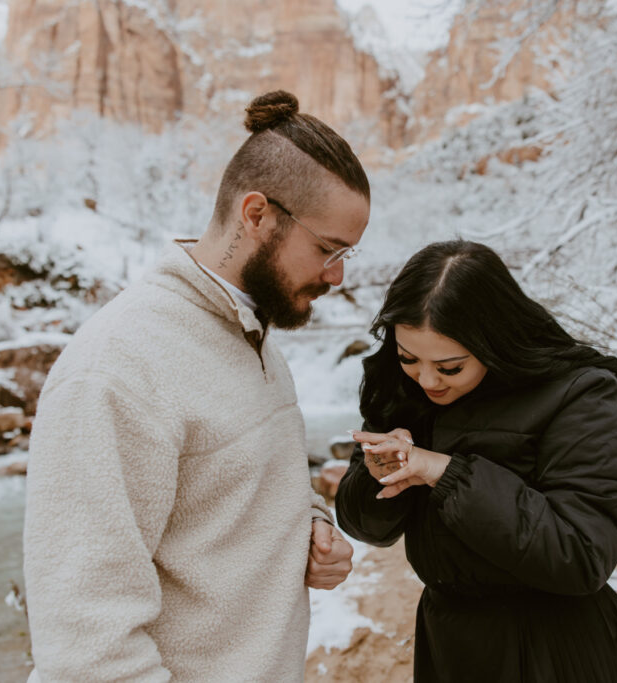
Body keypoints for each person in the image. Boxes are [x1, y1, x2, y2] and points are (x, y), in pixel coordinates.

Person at [23, 90, 369, 682]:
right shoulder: (116, 368)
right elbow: (86, 647)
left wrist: (309, 522)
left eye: (347, 254)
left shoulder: (252, 329)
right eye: (327, 250)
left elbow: (226, 493)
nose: (338, 275)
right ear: (256, 214)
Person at [335, 240, 617, 682]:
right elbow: (366, 528)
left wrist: (448, 473)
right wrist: (377, 478)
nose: (427, 379)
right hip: (450, 645)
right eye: (409, 357)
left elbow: (583, 555)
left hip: (556, 648)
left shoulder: (580, 393)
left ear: (494, 342)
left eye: (450, 368)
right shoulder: (400, 387)